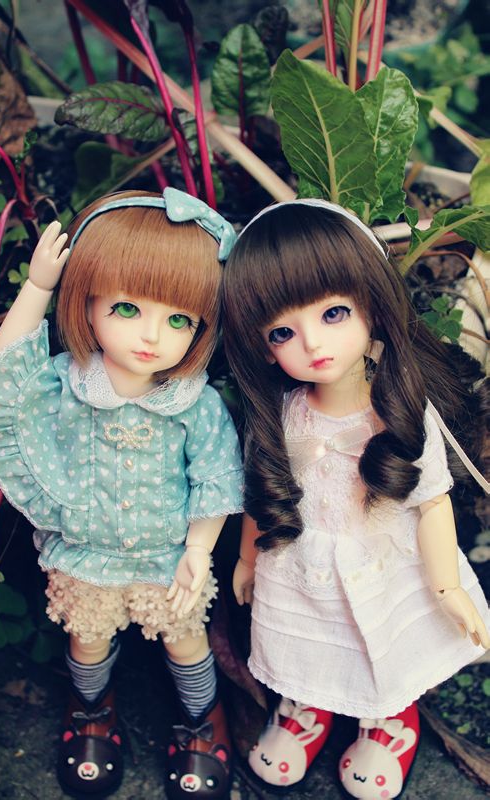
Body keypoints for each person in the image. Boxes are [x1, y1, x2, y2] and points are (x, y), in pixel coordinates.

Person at [0, 188, 243, 799]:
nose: (152, 336)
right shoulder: (66, 383)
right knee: (87, 640)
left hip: (166, 558)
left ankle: (204, 719)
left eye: (179, 320)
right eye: (126, 308)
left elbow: (216, 474)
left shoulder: (193, 403)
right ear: (87, 301)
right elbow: (6, 368)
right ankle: (92, 711)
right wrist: (37, 287)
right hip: (85, 553)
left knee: (186, 640)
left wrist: (200, 548)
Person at [221, 198, 490, 798]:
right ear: (263, 345)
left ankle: (390, 716)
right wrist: (246, 558)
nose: (313, 343)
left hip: (382, 561)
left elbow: (433, 502)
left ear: (371, 304)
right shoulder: (284, 413)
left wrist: (447, 587)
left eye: (334, 313)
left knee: (384, 649)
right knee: (307, 646)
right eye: (283, 332)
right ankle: (307, 704)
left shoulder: (398, 410)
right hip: (301, 564)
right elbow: (263, 491)